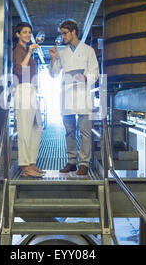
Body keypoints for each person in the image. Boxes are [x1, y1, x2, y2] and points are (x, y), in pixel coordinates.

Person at [49, 20, 100, 176]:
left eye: (65, 33)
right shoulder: (62, 52)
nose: (63, 36)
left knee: (85, 132)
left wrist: (85, 78)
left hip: (83, 95)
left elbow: (95, 73)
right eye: (62, 33)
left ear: (74, 32)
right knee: (69, 131)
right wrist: (53, 57)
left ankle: (83, 163)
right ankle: (71, 162)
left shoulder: (88, 50)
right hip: (67, 96)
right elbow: (53, 73)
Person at [12, 22, 45, 178]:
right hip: (23, 89)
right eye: (24, 32)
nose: (28, 35)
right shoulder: (18, 50)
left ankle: (32, 162)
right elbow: (19, 69)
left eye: (29, 32)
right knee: (24, 130)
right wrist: (30, 52)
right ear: (18, 34)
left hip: (31, 90)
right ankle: (25, 167)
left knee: (37, 126)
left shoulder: (25, 50)